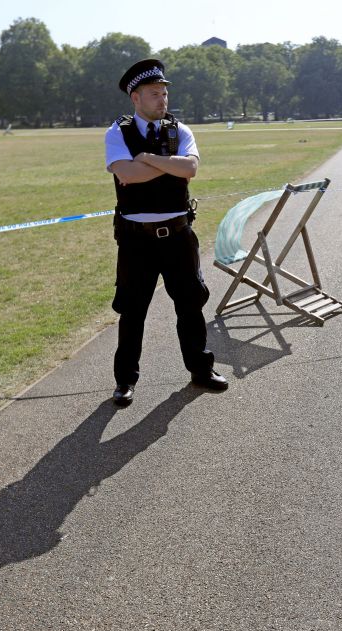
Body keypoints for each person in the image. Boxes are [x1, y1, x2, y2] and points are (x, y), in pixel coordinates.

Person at [104, 58, 228, 406]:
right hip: (135, 239)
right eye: (154, 94)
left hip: (177, 235)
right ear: (136, 98)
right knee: (133, 310)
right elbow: (127, 174)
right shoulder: (117, 132)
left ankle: (201, 371)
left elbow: (190, 168)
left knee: (190, 305)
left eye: (164, 94)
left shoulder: (181, 131)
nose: (162, 100)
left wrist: (147, 157)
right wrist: (165, 164)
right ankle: (124, 381)